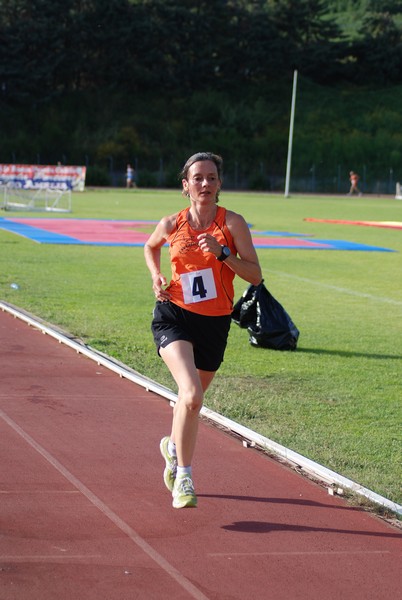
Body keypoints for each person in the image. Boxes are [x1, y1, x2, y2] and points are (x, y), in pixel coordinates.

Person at [144, 152, 262, 509]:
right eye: (198, 178)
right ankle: (184, 477)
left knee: (189, 404)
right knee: (192, 395)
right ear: (186, 185)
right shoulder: (171, 223)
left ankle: (173, 447)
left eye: (211, 178)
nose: (205, 184)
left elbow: (255, 276)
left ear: (219, 184)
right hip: (174, 314)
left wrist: (224, 253)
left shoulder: (233, 224)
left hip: (215, 323)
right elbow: (150, 247)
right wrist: (156, 276)